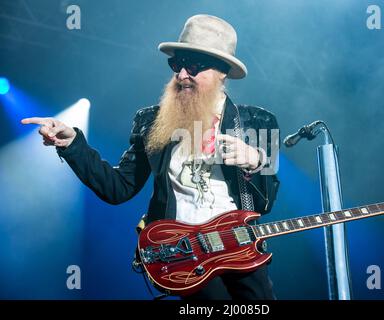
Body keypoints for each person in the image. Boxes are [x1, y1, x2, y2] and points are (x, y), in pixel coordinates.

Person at [21, 14, 280, 300]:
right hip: (184, 250)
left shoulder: (256, 121)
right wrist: (72, 144)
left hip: (238, 246)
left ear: (222, 71)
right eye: (176, 64)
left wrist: (255, 161)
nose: (182, 75)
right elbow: (118, 188)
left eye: (193, 66)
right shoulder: (151, 122)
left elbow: (263, 205)